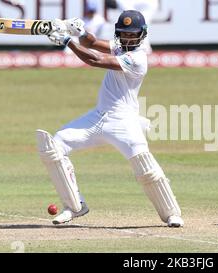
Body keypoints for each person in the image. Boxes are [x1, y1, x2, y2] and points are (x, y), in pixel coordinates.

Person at [37, 10, 184, 228]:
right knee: (54, 146)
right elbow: (93, 42)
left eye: (132, 35)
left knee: (146, 168)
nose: (128, 39)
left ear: (142, 35)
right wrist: (79, 30)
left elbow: (95, 59)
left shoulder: (138, 58)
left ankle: (171, 213)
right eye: (124, 34)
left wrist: (67, 41)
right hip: (98, 117)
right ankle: (75, 206)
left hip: (124, 122)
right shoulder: (120, 46)